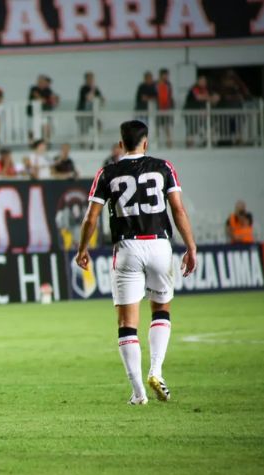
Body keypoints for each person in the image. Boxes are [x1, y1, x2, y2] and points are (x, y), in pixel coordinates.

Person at [75, 119, 197, 405]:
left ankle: (139, 393)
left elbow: (91, 217)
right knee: (161, 309)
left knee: (127, 323)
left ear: (121, 144)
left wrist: (82, 248)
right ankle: (157, 371)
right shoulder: (164, 167)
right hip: (159, 244)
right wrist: (191, 246)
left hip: (127, 247)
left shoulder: (107, 173)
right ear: (146, 142)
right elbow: (178, 209)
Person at [28, 74, 59, 142]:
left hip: (44, 112)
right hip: (34, 113)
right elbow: (39, 98)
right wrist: (46, 100)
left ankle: (46, 142)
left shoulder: (47, 90)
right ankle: (32, 143)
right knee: (34, 129)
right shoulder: (34, 88)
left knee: (46, 128)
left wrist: (53, 100)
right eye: (40, 81)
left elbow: (54, 100)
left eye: (43, 81)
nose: (42, 82)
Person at [76, 72, 104, 142]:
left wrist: (101, 99)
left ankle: (95, 142)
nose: (92, 80)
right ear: (86, 79)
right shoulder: (83, 88)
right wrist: (93, 89)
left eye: (92, 78)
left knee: (99, 125)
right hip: (83, 114)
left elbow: (101, 99)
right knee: (84, 130)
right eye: (90, 78)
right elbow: (88, 97)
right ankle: (83, 144)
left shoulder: (96, 89)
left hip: (92, 114)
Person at [155, 68, 174, 148]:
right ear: (161, 75)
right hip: (158, 108)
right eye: (165, 75)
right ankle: (157, 142)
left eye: (167, 75)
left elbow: (170, 95)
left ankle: (169, 142)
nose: (166, 77)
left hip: (166, 108)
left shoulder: (168, 84)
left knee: (167, 126)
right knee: (157, 126)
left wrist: (170, 105)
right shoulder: (156, 84)